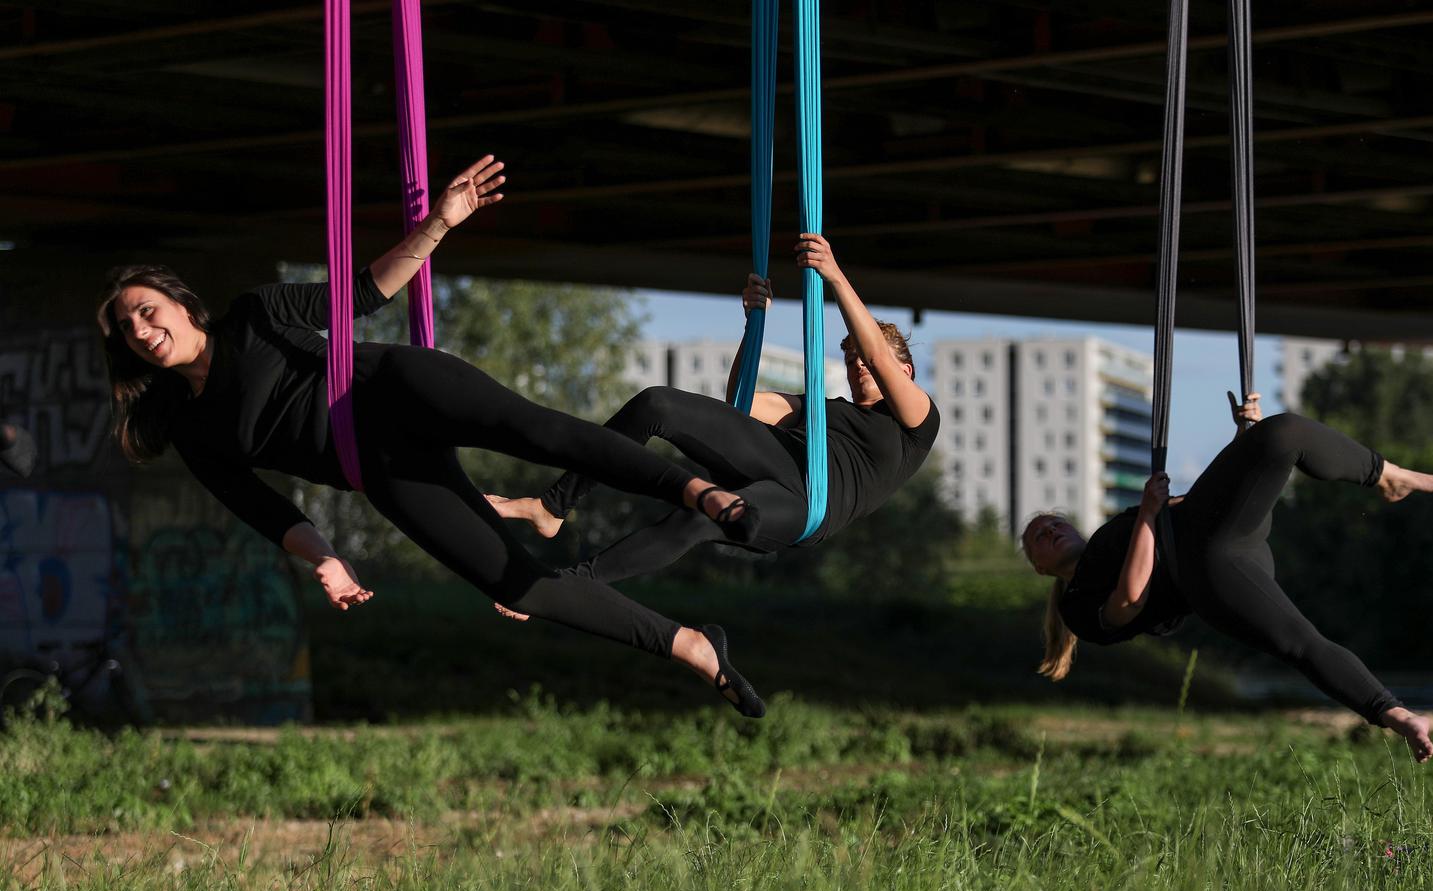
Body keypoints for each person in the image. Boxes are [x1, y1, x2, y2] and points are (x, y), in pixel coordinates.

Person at [97, 155, 767, 716]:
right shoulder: (192, 427)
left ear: (184, 306)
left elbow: (363, 294)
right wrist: (325, 558)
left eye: (146, 311)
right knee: (516, 586)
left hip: (397, 390)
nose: (142, 330)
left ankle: (701, 493)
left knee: (541, 434)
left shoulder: (253, 315)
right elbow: (263, 508)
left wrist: (438, 225)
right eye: (128, 330)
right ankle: (693, 647)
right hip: (382, 471)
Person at [1022, 394, 1433, 763]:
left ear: (1074, 527)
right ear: (1040, 567)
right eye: (1038, 537)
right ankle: (1397, 715)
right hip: (1206, 573)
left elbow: (1205, 499)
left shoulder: (1108, 533)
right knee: (1302, 643)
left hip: (1219, 529)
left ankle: (1390, 477)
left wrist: (1242, 442)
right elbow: (1132, 598)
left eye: (1053, 523)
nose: (1050, 529)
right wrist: (1148, 516)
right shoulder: (1077, 605)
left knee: (1281, 433)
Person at [484, 233, 939, 586]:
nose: (860, 362)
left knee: (699, 516)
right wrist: (752, 325)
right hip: (781, 456)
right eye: (851, 356)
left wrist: (835, 276)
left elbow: (880, 357)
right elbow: (741, 404)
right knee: (655, 402)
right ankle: (552, 506)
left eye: (867, 355)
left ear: (909, 369)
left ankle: (571, 584)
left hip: (808, 503)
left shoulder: (915, 423)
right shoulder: (823, 414)